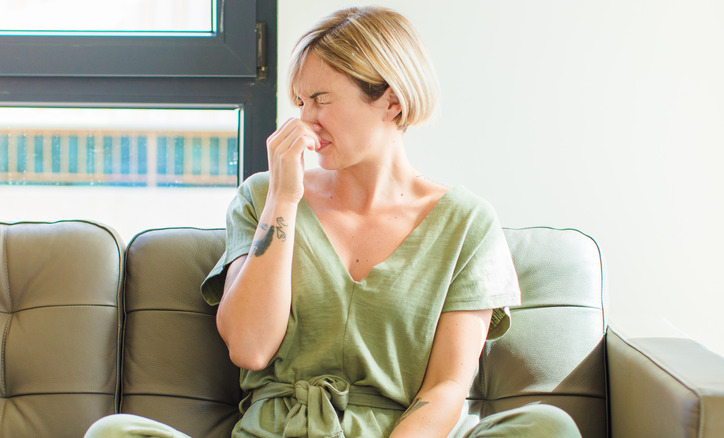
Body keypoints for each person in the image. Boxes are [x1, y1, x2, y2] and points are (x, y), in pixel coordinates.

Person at [85, 6, 581, 438]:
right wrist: (284, 197)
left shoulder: (467, 223)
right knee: (116, 432)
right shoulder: (262, 197)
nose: (304, 120)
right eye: (299, 102)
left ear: (392, 100)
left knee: (547, 426)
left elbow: (449, 385)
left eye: (321, 99)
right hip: (276, 431)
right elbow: (250, 347)